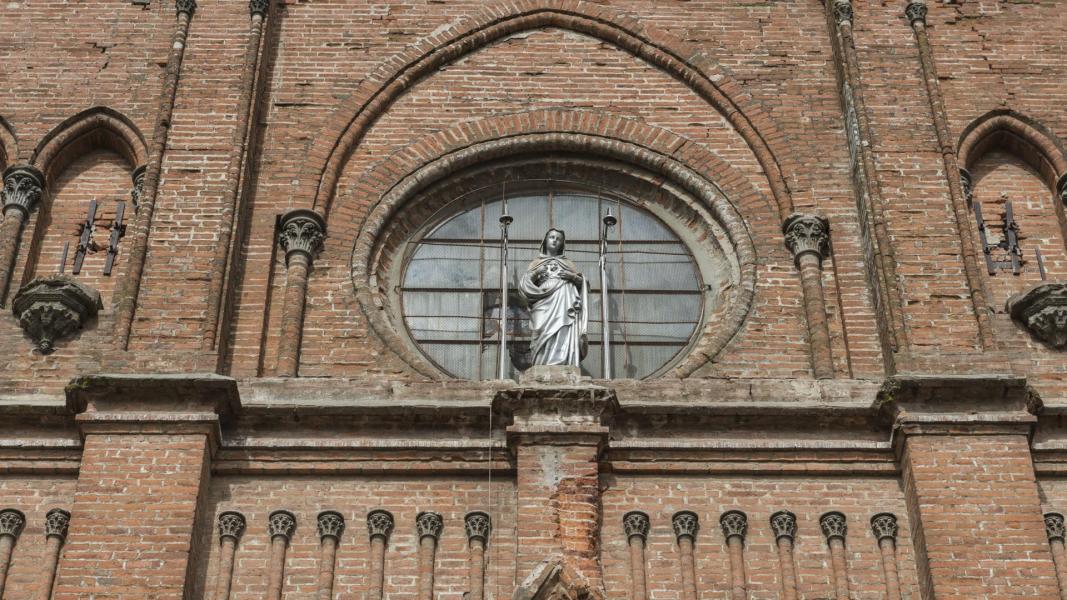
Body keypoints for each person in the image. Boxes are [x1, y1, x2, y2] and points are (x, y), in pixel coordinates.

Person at [519, 228, 588, 367]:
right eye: (552, 237)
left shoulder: (568, 263)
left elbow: (582, 285)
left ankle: (563, 362)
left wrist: (572, 276)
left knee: (563, 327)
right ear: (545, 241)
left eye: (558, 238)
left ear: (562, 244)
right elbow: (524, 285)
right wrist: (536, 273)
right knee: (540, 329)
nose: (555, 240)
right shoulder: (536, 263)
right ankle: (541, 364)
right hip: (542, 299)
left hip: (564, 297)